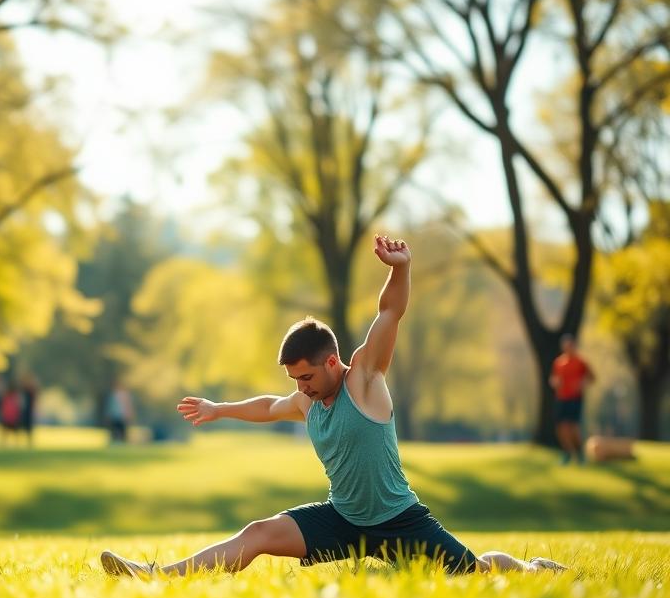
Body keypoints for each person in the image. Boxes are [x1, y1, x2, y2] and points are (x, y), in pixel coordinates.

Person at [100, 235, 569, 579]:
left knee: (477, 574)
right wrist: (218, 409)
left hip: (400, 521)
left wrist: (400, 269)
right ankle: (155, 575)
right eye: (294, 380)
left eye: (306, 376)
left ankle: (533, 569)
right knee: (259, 532)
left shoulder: (364, 380)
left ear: (331, 361)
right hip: (343, 519)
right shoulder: (307, 400)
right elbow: (269, 406)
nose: (300, 388)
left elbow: (390, 315)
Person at [549, 335, 594, 465]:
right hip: (561, 398)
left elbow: (591, 378)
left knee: (573, 427)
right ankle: (567, 452)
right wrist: (554, 382)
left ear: (574, 346)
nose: (568, 348)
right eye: (565, 346)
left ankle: (579, 453)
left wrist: (582, 383)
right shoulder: (558, 363)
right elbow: (553, 379)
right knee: (561, 428)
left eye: (570, 345)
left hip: (575, 398)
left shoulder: (581, 362)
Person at [106, 379, 135, 444]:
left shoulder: (125, 395)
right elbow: (111, 407)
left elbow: (128, 406)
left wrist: (129, 414)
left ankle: (123, 442)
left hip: (122, 416)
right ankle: (114, 442)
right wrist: (109, 415)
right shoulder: (113, 395)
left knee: (123, 431)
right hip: (115, 416)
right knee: (114, 430)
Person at [20, 374, 39, 446]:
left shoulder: (31, 390)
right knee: (25, 426)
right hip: (26, 410)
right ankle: (26, 441)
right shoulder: (25, 390)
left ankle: (29, 441)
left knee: (29, 427)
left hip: (29, 411)